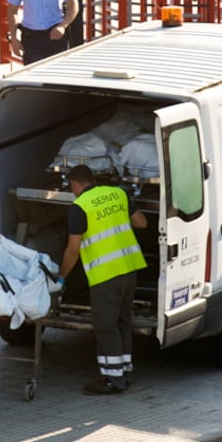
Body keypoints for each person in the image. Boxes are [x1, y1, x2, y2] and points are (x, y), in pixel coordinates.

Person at [59, 164, 147, 395]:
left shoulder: (79, 207)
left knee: (106, 327)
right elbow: (142, 223)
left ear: (74, 184)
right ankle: (124, 372)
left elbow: (73, 250)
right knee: (123, 322)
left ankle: (113, 379)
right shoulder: (118, 193)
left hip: (105, 276)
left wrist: (61, 278)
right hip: (130, 269)